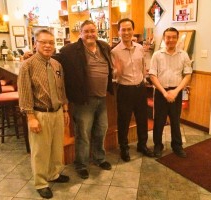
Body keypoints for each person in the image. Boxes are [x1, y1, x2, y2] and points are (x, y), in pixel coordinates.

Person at [53, 20, 113, 179]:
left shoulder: (104, 46)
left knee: (101, 130)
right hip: (83, 100)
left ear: (97, 32)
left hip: (102, 98)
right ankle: (81, 164)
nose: (90, 34)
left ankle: (99, 158)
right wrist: (34, 56)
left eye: (92, 31)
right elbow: (55, 58)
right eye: (86, 31)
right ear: (80, 33)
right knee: (83, 134)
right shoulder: (71, 50)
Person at [18, 29, 70, 199]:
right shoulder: (28, 65)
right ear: (35, 44)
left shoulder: (57, 65)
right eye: (43, 42)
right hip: (40, 114)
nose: (48, 45)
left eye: (51, 42)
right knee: (40, 151)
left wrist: (65, 109)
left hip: (56, 112)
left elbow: (61, 89)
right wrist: (30, 117)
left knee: (56, 148)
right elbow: (25, 93)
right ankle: (41, 182)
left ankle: (54, 174)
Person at [111, 18, 154, 162]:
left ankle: (142, 145)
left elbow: (143, 65)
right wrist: (117, 72)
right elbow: (112, 75)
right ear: (119, 32)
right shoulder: (114, 52)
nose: (127, 32)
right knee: (123, 121)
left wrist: (144, 78)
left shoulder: (140, 48)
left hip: (140, 89)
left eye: (129, 29)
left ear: (133, 30)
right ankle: (124, 148)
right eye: (123, 29)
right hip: (124, 90)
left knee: (142, 119)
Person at [149, 27, 192, 158]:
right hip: (161, 93)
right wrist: (164, 92)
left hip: (176, 92)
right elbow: (152, 75)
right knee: (159, 121)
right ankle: (158, 145)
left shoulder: (183, 55)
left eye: (174, 37)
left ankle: (177, 146)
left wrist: (176, 91)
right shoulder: (157, 55)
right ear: (164, 38)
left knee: (175, 120)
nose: (171, 40)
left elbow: (188, 74)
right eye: (168, 37)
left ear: (177, 38)